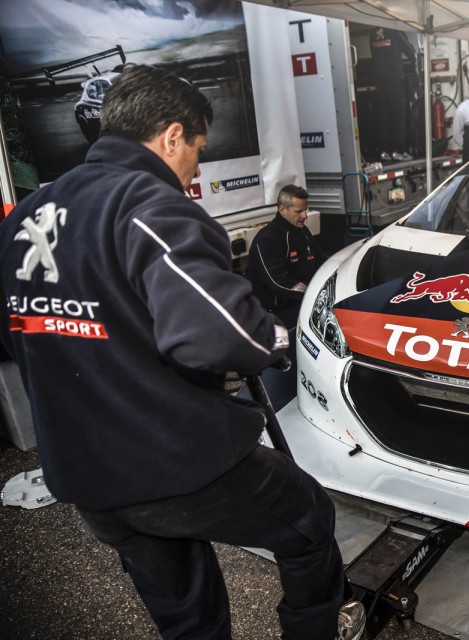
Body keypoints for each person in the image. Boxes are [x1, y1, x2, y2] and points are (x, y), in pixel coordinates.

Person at [0, 64, 364, 640]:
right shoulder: (148, 203)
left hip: (81, 472)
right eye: (197, 147)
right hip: (167, 459)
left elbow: (16, 334)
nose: (195, 167)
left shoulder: (26, 214)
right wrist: (270, 339)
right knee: (307, 518)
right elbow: (220, 335)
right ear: (172, 135)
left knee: (187, 609)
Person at [245, 183, 321, 327]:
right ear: (282, 210)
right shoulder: (268, 239)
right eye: (298, 211)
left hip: (299, 301)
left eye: (305, 210)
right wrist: (312, 295)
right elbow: (278, 282)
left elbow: (319, 261)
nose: (304, 216)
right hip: (273, 311)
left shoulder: (303, 232)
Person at [370, 27, 417, 163]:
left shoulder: (372, 32)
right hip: (395, 77)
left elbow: (373, 53)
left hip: (379, 77)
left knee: (384, 114)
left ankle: (385, 151)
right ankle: (399, 150)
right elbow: (410, 52)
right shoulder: (395, 30)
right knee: (399, 113)